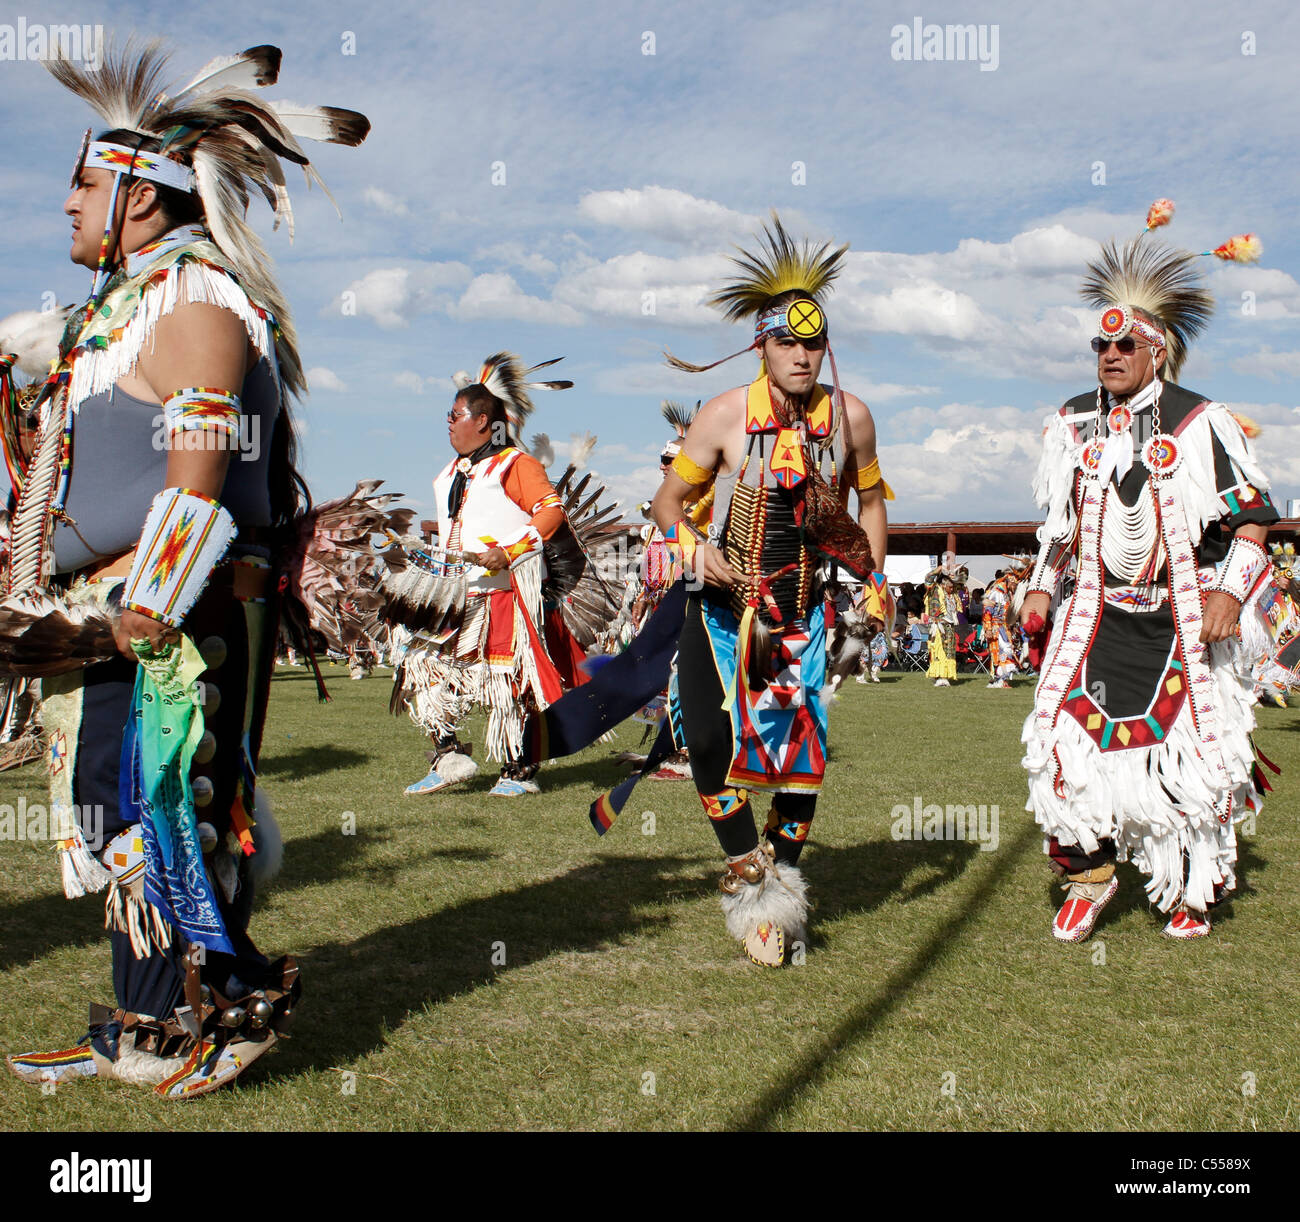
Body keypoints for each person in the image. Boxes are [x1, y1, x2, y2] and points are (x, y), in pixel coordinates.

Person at [3, 43, 367, 1096]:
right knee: (115, 810)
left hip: (171, 611)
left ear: (142, 197)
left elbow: (197, 477)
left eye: (81, 185)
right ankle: (145, 1016)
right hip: (112, 613)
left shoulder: (197, 304)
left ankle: (220, 1007)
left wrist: (141, 605)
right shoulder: (118, 315)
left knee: (166, 803)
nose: (65, 205)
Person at [1019, 209, 1276, 943]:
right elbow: (1059, 524)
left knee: (1194, 757)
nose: (1110, 353)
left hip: (1184, 613)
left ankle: (1190, 888)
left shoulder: (1200, 422)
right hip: (1094, 615)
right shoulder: (1071, 424)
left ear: (1155, 352)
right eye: (1102, 343)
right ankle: (1089, 874)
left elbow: (1255, 518)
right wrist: (1043, 580)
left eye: (1125, 343)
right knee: (1058, 737)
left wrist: (1230, 592)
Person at [649, 214, 892, 966]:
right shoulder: (723, 415)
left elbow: (873, 501)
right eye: (786, 341)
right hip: (722, 610)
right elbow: (664, 503)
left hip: (800, 615)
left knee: (797, 762)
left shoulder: (848, 419)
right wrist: (692, 545)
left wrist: (875, 581)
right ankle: (750, 884)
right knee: (709, 745)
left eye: (813, 342)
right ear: (762, 343)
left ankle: (780, 894)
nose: (800, 355)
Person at [393, 354, 579, 797]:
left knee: (504, 680)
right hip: (452, 593)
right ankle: (449, 756)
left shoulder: (515, 465)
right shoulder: (450, 473)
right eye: (448, 416)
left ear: (481, 420)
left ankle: (518, 769)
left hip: (501, 594)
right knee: (423, 665)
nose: (449, 423)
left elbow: (552, 512)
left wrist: (508, 551)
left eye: (455, 415)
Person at [923, 562, 963, 687]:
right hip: (938, 625)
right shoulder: (935, 589)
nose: (952, 589)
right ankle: (940, 676)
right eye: (950, 587)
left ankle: (944, 675)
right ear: (944, 584)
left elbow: (963, 579)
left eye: (953, 587)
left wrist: (955, 571)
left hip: (949, 625)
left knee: (949, 651)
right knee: (939, 650)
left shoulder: (953, 593)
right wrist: (938, 570)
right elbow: (928, 579)